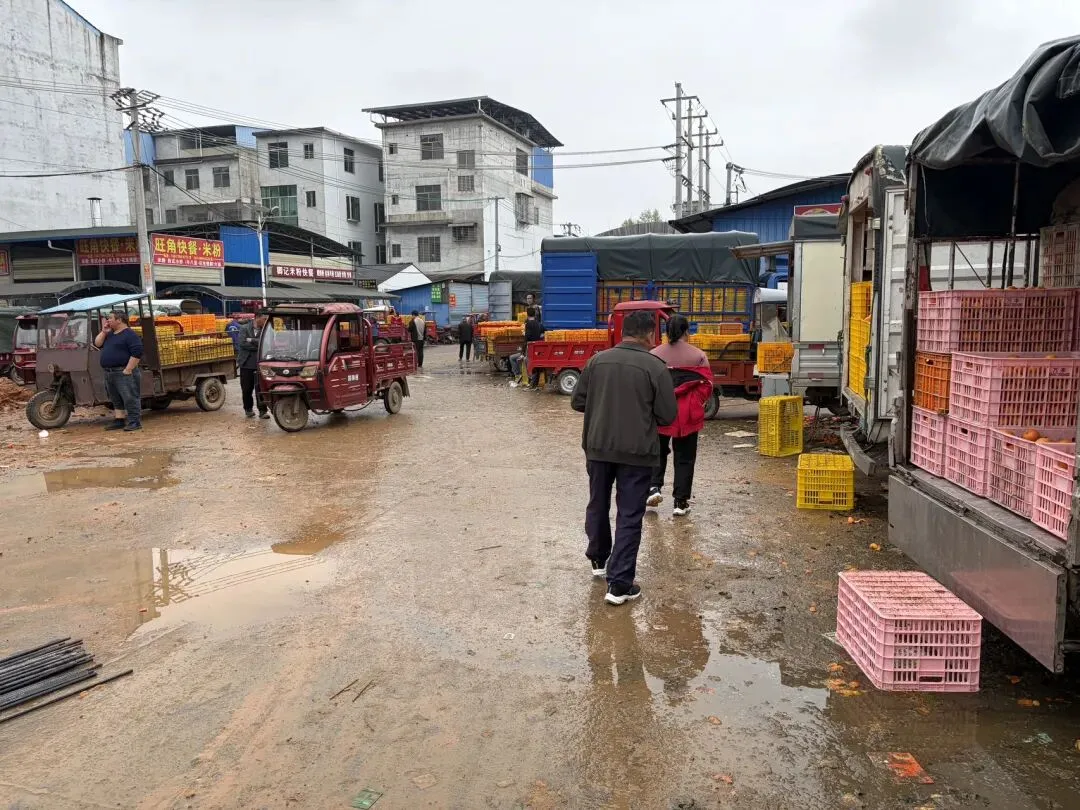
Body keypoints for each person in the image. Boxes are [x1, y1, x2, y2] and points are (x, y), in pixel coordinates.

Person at [571, 310, 677, 605]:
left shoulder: (596, 361)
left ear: (622, 332)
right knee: (629, 515)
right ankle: (619, 585)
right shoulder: (655, 367)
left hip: (598, 447)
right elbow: (668, 415)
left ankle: (598, 561)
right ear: (648, 335)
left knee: (598, 503)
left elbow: (577, 401)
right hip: (637, 453)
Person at [647, 315, 713, 516]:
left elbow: (646, 384)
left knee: (657, 452)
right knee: (685, 456)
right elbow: (707, 386)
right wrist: (697, 403)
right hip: (687, 414)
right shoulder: (698, 355)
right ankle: (680, 502)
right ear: (687, 332)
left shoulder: (654, 354)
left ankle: (653, 488)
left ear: (666, 331)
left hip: (659, 411)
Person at [93, 310, 144, 432]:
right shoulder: (110, 334)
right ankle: (119, 419)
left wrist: (128, 369)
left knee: (130, 396)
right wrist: (104, 332)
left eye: (110, 318)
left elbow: (137, 352)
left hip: (123, 371)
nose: (107, 320)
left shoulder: (129, 334)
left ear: (119, 320)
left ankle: (134, 422)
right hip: (110, 372)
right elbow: (97, 343)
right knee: (115, 398)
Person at [237, 313, 269, 419]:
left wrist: (251, 340)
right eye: (264, 319)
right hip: (246, 364)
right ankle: (248, 409)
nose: (265, 321)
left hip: (259, 364)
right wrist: (258, 345)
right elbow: (242, 343)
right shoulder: (244, 328)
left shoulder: (265, 329)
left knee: (260, 389)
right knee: (246, 389)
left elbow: (266, 343)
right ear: (257, 318)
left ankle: (263, 411)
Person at [509, 307, 543, 389]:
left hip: (529, 350)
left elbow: (526, 339)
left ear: (527, 315)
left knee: (512, 358)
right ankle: (526, 379)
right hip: (537, 350)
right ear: (534, 314)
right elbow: (544, 332)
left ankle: (519, 376)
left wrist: (523, 353)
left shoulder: (528, 324)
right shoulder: (539, 324)